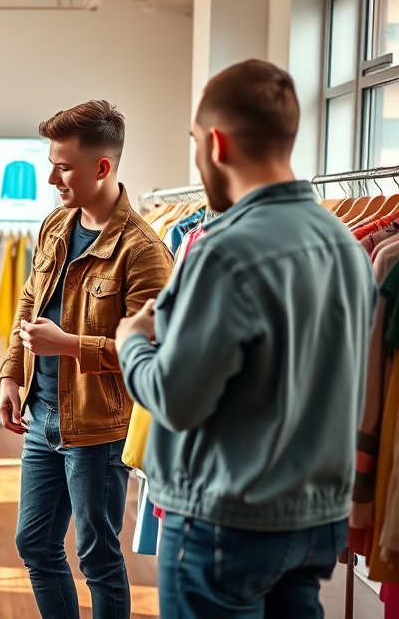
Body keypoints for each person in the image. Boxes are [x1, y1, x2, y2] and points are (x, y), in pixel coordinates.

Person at [115, 60, 377, 619]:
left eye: (194, 142)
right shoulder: (346, 247)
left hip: (224, 519)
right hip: (314, 521)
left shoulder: (222, 251)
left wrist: (131, 341)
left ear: (215, 142)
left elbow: (176, 400)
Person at [0, 100, 174, 619]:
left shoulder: (143, 251)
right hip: (41, 416)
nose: (52, 178)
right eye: (52, 164)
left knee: (98, 556)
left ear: (102, 167)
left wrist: (70, 345)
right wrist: (11, 373)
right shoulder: (55, 224)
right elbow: (29, 302)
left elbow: (153, 355)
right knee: (35, 544)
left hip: (99, 429)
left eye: (64, 167)